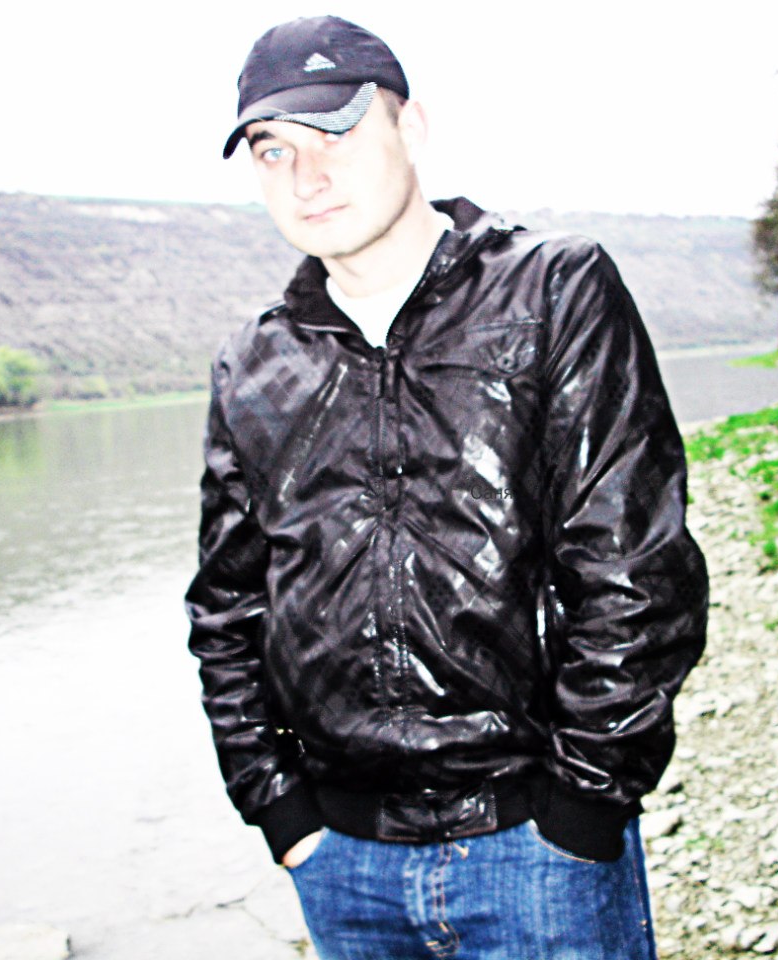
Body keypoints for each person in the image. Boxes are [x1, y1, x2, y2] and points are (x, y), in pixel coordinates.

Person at [185, 15, 709, 959]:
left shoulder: (553, 289)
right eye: (273, 150)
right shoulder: (253, 363)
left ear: (412, 127)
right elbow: (228, 609)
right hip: (341, 860)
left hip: (538, 846)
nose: (307, 176)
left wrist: (585, 802)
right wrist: (278, 806)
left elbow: (636, 565)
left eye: (336, 132)